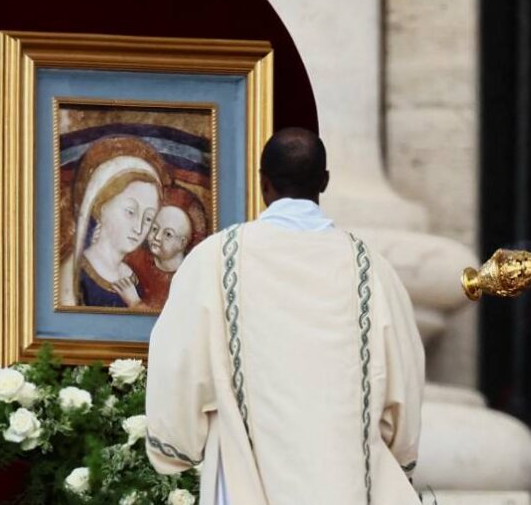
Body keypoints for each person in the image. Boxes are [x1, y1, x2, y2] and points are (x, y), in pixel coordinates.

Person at [145, 128, 425, 505]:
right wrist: (398, 458)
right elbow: (403, 382)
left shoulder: (214, 261)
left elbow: (177, 367)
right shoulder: (373, 272)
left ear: (263, 183)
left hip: (245, 481)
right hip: (351, 487)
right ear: (324, 182)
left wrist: (178, 447)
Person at [59, 136, 166, 310]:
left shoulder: (130, 277)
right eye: (130, 212)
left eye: (148, 218)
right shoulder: (75, 277)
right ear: (100, 207)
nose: (139, 228)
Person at [127, 185, 209, 311]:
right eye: (154, 229)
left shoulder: (190, 278)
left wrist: (135, 303)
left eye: (168, 234)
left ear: (182, 243)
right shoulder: (136, 259)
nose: (157, 237)